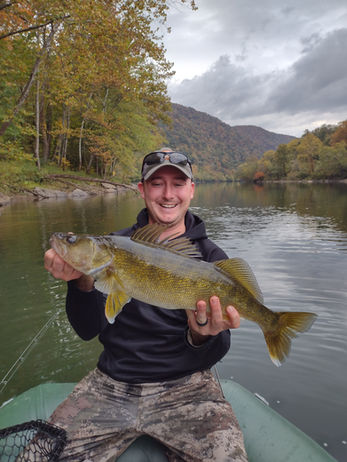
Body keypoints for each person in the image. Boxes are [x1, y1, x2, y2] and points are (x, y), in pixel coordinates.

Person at [44, 147, 248, 462]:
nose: (168, 194)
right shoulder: (113, 245)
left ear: (192, 190)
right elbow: (88, 329)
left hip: (188, 388)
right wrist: (79, 279)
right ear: (142, 190)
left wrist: (202, 335)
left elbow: (218, 350)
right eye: (156, 183)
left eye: (178, 183)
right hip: (111, 384)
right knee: (41, 455)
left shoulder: (212, 261)